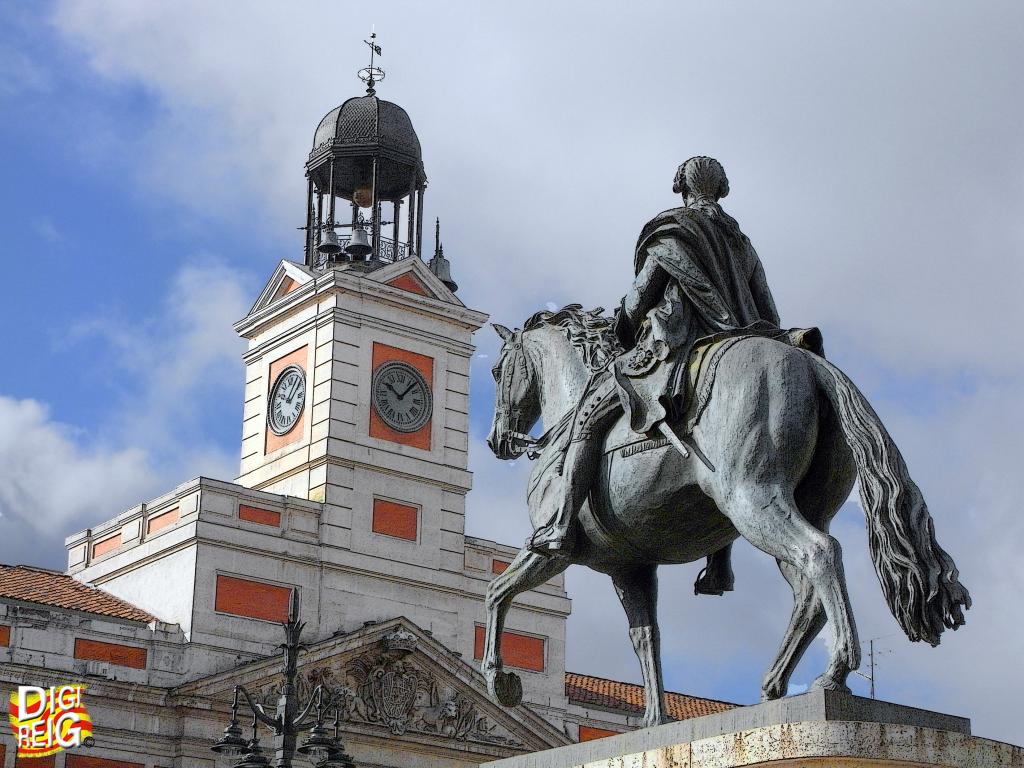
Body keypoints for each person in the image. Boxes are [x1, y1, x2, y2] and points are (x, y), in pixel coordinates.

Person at [527, 156, 782, 595]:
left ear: (681, 186)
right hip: (736, 339)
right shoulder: (742, 244)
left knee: (586, 418)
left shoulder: (673, 231)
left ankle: (561, 524)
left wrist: (621, 327)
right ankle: (719, 562)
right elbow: (769, 313)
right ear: (721, 188)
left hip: (674, 343)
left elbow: (643, 294)